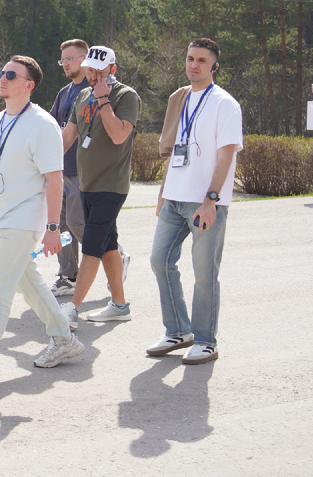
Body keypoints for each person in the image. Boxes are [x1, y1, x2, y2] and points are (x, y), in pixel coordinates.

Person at [0, 56, 84, 386]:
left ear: (29, 85)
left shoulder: (42, 125)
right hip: (0, 219)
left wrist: (53, 228)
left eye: (11, 75)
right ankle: (65, 339)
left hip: (24, 222)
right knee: (31, 285)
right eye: (1, 73)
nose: (3, 78)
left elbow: (55, 180)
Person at [149, 38, 243, 365]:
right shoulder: (180, 99)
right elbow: (176, 148)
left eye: (202, 60)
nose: (194, 65)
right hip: (174, 199)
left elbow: (227, 153)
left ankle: (205, 340)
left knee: (204, 273)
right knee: (159, 260)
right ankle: (178, 331)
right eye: (190, 58)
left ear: (215, 66)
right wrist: (163, 194)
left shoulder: (224, 104)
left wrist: (211, 200)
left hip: (204, 203)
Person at [57, 45, 140, 328]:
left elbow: (118, 135)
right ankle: (119, 305)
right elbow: (68, 136)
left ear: (113, 70)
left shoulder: (125, 96)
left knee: (92, 244)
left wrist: (104, 101)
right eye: (90, 70)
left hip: (111, 184)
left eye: (99, 71)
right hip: (86, 182)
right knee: (108, 245)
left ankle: (72, 308)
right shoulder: (82, 95)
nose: (93, 76)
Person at [48, 39, 90, 298]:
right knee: (60, 224)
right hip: (61, 170)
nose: (65, 64)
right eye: (62, 60)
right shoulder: (64, 93)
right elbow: (52, 127)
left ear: (84, 58)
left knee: (77, 222)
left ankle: (114, 255)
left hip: (82, 169)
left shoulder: (94, 89)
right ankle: (68, 274)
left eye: (70, 59)